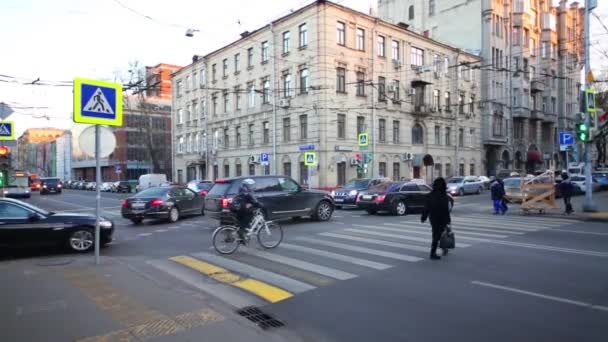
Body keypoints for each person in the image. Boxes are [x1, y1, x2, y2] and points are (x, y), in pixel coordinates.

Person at [421, 177, 452, 260]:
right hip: (443, 218)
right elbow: (446, 209)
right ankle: (433, 252)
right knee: (440, 234)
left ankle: (442, 248)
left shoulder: (430, 195)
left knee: (437, 234)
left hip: (434, 218)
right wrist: (448, 220)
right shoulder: (444, 195)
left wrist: (423, 217)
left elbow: (426, 208)